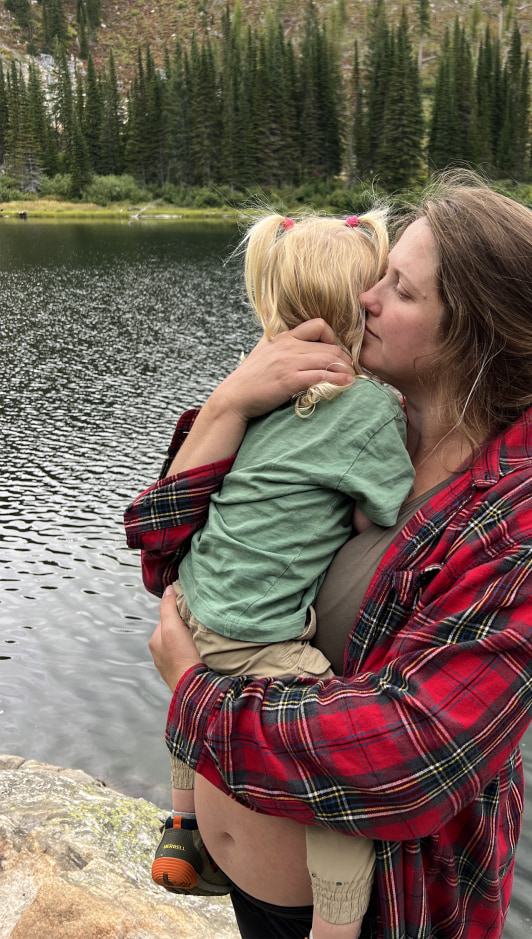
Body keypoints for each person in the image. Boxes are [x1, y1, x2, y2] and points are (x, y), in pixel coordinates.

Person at [129, 174, 532, 939]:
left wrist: (193, 693)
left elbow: (404, 756)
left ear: (471, 334)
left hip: (378, 916)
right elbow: (167, 558)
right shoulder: (329, 414)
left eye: (400, 290)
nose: (365, 299)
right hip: (248, 881)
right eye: (379, 275)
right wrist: (227, 404)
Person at [127, 210, 415, 939]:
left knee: (191, 679)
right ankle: (337, 924)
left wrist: (230, 401)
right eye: (384, 283)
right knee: (344, 776)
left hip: (192, 602)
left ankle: (183, 825)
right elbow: (383, 499)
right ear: (363, 307)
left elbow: (161, 547)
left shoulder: (263, 400)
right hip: (255, 638)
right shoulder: (368, 407)